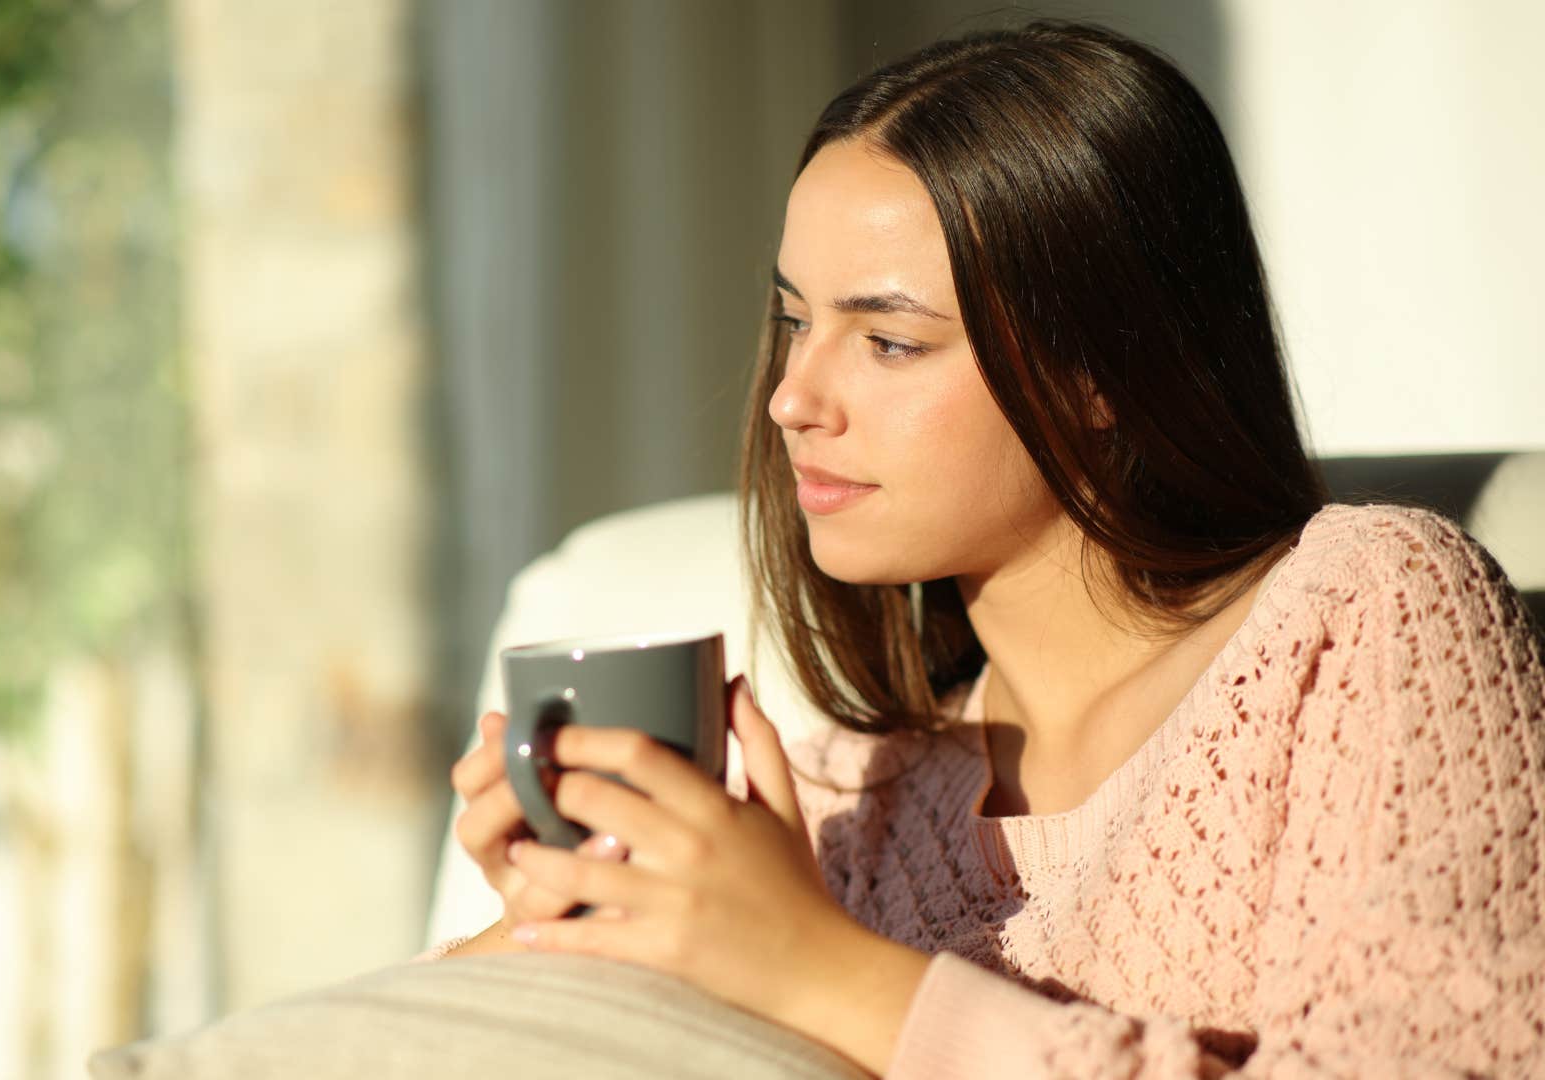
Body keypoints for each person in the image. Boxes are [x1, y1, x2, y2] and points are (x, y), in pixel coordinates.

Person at [425, 19, 1545, 1077]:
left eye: (890, 340)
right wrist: (566, 928)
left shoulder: (1364, 613)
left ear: (1102, 369)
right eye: (794, 322)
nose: (793, 399)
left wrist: (819, 968)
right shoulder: (841, 798)